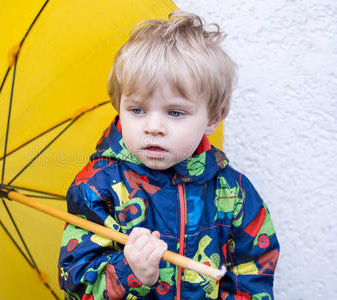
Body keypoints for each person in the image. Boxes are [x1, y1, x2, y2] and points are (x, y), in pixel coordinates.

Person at [58, 10, 279, 300]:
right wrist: (130, 272)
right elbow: (75, 283)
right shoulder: (97, 187)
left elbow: (253, 270)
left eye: (175, 113)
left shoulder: (232, 192)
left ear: (214, 117)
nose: (153, 127)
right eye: (137, 110)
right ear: (119, 105)